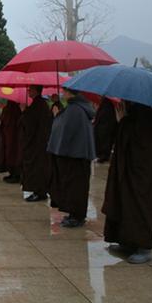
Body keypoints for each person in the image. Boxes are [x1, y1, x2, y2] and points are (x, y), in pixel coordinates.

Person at [103, 101, 152, 264]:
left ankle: (144, 246)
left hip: (141, 169)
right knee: (125, 202)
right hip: (128, 165)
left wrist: (123, 121)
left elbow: (140, 137)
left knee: (139, 203)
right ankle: (126, 241)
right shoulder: (134, 108)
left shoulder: (149, 110)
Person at [48, 88, 96, 227]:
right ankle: (75, 214)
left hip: (75, 154)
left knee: (75, 186)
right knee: (76, 185)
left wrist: (57, 117)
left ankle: (77, 216)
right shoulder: (77, 107)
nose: (63, 94)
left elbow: (65, 130)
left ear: (70, 93)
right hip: (77, 154)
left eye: (64, 92)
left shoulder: (75, 109)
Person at [20, 85, 53, 202]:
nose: (28, 91)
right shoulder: (38, 104)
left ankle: (39, 191)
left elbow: (30, 124)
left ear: (36, 91)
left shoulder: (39, 105)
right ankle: (39, 190)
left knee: (38, 167)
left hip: (38, 143)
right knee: (38, 166)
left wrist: (24, 112)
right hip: (39, 142)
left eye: (30, 89)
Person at [0, 100, 22, 184]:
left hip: (14, 136)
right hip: (8, 135)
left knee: (13, 154)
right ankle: (12, 172)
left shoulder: (15, 108)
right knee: (9, 153)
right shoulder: (9, 108)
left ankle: (16, 174)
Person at [94, 97, 118, 163]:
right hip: (104, 129)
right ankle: (103, 156)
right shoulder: (106, 105)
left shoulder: (106, 105)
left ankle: (103, 156)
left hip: (104, 129)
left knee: (104, 142)